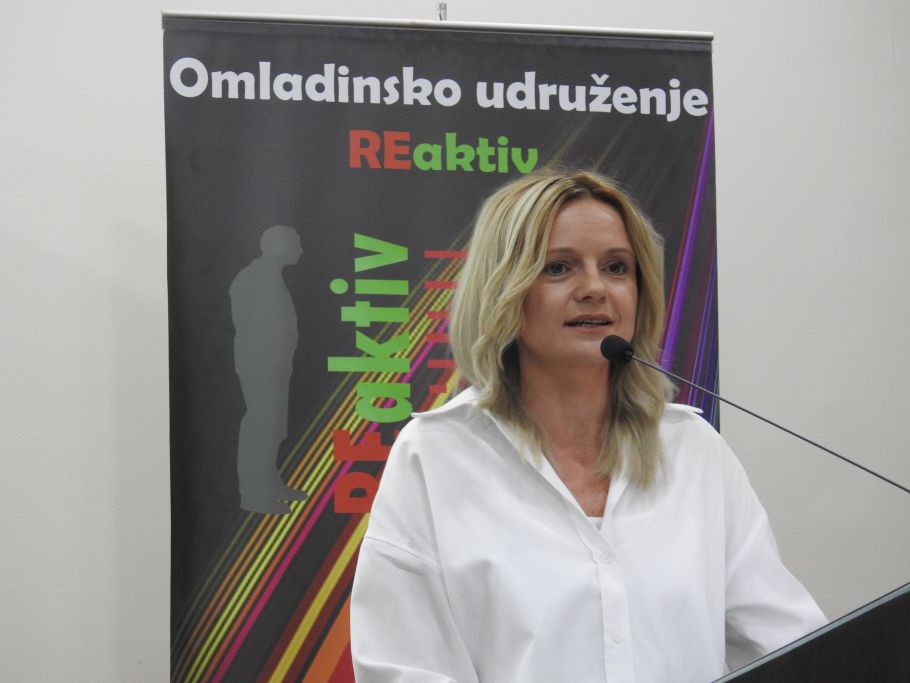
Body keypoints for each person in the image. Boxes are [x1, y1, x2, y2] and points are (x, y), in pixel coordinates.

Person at [350, 170, 826, 682]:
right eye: (559, 267)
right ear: (503, 289)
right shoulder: (435, 456)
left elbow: (790, 645)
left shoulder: (692, 450)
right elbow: (403, 667)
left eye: (617, 267)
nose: (595, 288)